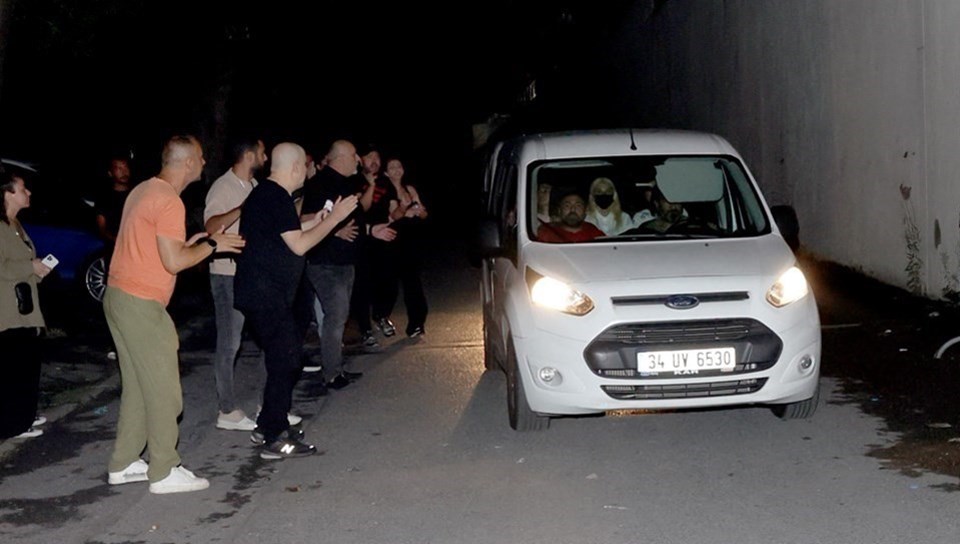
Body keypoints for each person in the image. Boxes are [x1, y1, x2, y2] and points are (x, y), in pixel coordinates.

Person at [103, 135, 244, 494]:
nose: (203, 162)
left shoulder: (143, 190)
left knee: (138, 386)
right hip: (141, 303)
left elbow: (157, 248)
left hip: (118, 295)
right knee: (165, 389)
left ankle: (123, 462)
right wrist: (210, 245)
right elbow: (174, 262)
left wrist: (194, 244)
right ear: (187, 163)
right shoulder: (169, 201)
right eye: (200, 156)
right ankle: (164, 470)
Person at [234, 142, 357, 459]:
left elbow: (289, 230)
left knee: (284, 358)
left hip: (267, 294)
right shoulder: (274, 196)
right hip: (265, 295)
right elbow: (299, 246)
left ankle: (268, 425)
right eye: (305, 165)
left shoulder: (271, 195)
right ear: (294, 167)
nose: (309, 170)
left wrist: (320, 218)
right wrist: (335, 220)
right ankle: (273, 438)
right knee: (286, 359)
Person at [301, 140, 393, 391]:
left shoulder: (347, 183)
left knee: (338, 317)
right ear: (340, 157)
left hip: (345, 262)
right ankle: (331, 375)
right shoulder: (320, 183)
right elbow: (304, 217)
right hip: (325, 263)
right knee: (335, 317)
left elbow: (357, 218)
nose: (358, 159)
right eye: (354, 155)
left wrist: (372, 230)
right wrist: (333, 227)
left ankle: (335, 369)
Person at [203, 137, 266, 432]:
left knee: (269, 335)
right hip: (227, 275)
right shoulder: (223, 187)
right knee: (230, 343)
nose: (265, 157)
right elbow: (212, 227)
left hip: (251, 274)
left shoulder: (254, 187)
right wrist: (243, 208)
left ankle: (269, 404)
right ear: (250, 155)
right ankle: (226, 410)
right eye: (262, 152)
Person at [0, 166, 52, 440]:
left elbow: (22, 266)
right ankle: (12, 423)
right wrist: (29, 266)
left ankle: (23, 417)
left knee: (26, 365)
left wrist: (37, 270)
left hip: (26, 308)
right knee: (12, 368)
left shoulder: (16, 225)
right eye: (22, 189)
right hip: (7, 312)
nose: (28, 192)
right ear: (7, 194)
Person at [372, 156, 429, 337]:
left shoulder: (409, 189)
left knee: (413, 282)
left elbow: (424, 212)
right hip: (393, 239)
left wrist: (419, 212)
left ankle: (416, 323)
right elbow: (394, 216)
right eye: (392, 167)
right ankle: (380, 314)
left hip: (411, 239)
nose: (397, 170)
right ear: (386, 172)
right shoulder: (386, 189)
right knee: (390, 283)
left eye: (399, 166)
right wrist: (405, 210)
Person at [94, 155, 134, 246]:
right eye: (118, 168)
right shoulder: (104, 198)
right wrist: (116, 240)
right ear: (110, 173)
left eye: (125, 167)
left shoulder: (138, 193)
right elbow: (102, 228)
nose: (124, 172)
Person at [536, 192, 604, 243]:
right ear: (559, 211)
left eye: (578, 206)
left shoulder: (592, 231)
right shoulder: (546, 232)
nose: (572, 210)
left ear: (585, 210)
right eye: (567, 206)